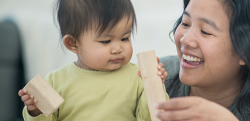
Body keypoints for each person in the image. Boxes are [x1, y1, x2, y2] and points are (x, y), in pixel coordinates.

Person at [18, 0, 168, 120]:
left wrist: (154, 86)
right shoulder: (55, 81)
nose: (118, 48)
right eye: (106, 41)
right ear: (73, 44)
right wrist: (37, 111)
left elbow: (149, 117)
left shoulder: (138, 76)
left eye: (125, 38)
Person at [153, 0, 250, 120]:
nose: (185, 39)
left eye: (205, 31)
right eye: (185, 23)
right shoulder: (154, 75)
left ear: (245, 51)